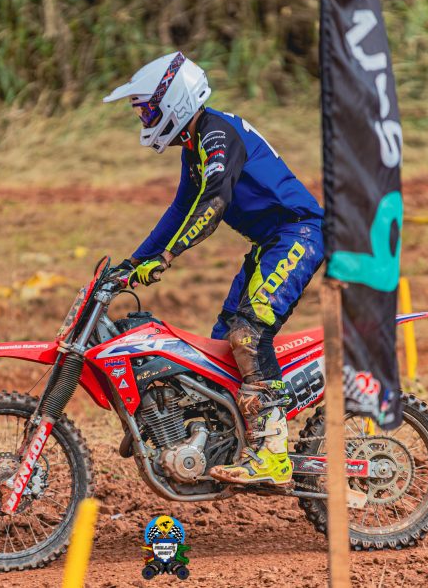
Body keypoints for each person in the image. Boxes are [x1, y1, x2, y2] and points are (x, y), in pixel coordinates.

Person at [103, 52, 325, 487]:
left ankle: (273, 453)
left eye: (148, 109)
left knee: (249, 333)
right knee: (221, 346)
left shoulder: (217, 136)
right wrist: (131, 263)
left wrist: (166, 257)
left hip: (299, 232)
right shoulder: (195, 145)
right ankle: (226, 441)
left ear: (175, 100)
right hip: (270, 243)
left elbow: (214, 203)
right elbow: (179, 209)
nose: (144, 118)